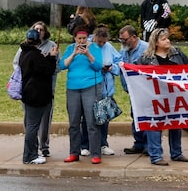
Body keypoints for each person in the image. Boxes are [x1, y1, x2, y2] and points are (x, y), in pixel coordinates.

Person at [136, 28, 188, 165]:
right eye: (163, 39)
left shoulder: (178, 54)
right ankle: (156, 156)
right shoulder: (146, 59)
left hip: (175, 95)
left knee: (175, 124)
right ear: (155, 42)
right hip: (154, 97)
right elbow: (136, 76)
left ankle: (177, 153)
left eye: (168, 38)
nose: (167, 41)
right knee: (154, 124)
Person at [59, 27, 104, 164]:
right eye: (79, 39)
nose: (82, 41)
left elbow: (98, 66)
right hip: (73, 88)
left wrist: (88, 54)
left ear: (88, 38)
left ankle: (95, 153)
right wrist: (73, 54)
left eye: (84, 38)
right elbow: (62, 65)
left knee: (91, 122)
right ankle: (74, 152)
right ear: (75, 39)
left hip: (90, 87)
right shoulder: (70, 49)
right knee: (73, 122)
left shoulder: (94, 48)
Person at [17, 29, 59, 164]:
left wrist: (47, 57)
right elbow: (47, 70)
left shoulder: (24, 53)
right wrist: (52, 57)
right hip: (37, 95)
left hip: (28, 94)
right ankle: (30, 155)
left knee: (30, 125)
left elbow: (39, 66)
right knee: (33, 127)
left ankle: (31, 153)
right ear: (38, 41)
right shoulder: (35, 55)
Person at [80, 26, 120, 157]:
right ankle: (85, 144)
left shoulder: (109, 47)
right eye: (99, 42)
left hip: (106, 88)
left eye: (104, 42)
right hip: (90, 86)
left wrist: (111, 68)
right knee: (87, 117)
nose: (102, 44)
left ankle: (103, 144)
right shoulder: (86, 45)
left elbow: (119, 63)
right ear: (94, 37)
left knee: (104, 117)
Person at [117, 25, 149, 155]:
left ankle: (148, 145)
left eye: (124, 39)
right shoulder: (124, 49)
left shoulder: (146, 49)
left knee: (146, 116)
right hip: (131, 89)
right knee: (135, 115)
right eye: (121, 40)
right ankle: (139, 144)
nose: (122, 43)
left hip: (145, 89)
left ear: (134, 37)